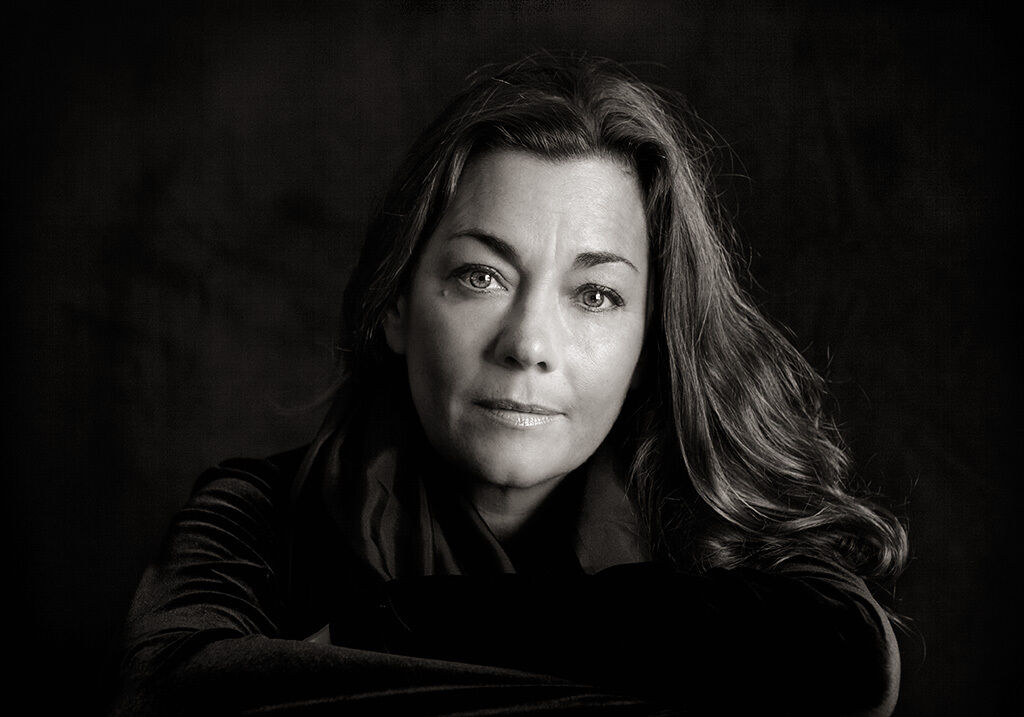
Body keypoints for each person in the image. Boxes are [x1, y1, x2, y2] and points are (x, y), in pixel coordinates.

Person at [112, 53, 909, 716]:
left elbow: (851, 659)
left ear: (648, 340)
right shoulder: (260, 514)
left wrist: (387, 629)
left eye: (595, 294)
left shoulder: (716, 522)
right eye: (482, 276)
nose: (528, 344)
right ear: (397, 303)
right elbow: (173, 696)